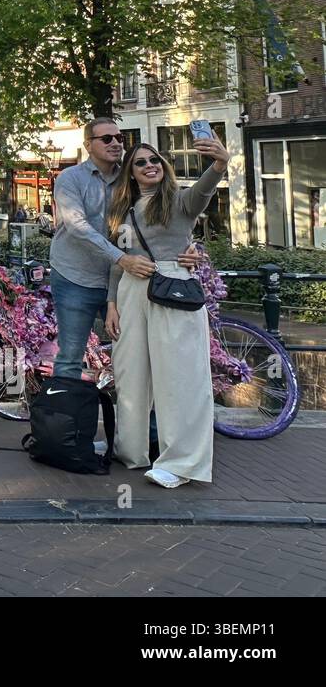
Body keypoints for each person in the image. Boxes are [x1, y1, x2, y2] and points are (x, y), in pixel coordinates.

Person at [104, 137, 228, 488]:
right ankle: (130, 449)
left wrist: (218, 165)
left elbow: (202, 193)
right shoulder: (122, 210)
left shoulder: (177, 201)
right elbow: (116, 260)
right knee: (130, 373)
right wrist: (111, 303)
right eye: (141, 162)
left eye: (155, 159)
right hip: (131, 291)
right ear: (131, 173)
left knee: (179, 377)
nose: (149, 166)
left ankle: (182, 463)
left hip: (171, 286)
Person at [50, 118, 199, 382]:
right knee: (71, 356)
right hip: (77, 278)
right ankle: (67, 421)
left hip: (125, 283)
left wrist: (191, 246)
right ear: (88, 145)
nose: (116, 143)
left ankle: (144, 422)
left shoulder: (132, 174)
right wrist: (122, 258)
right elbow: (77, 226)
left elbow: (166, 215)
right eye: (106, 138)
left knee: (141, 353)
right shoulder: (70, 179)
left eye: (119, 137)